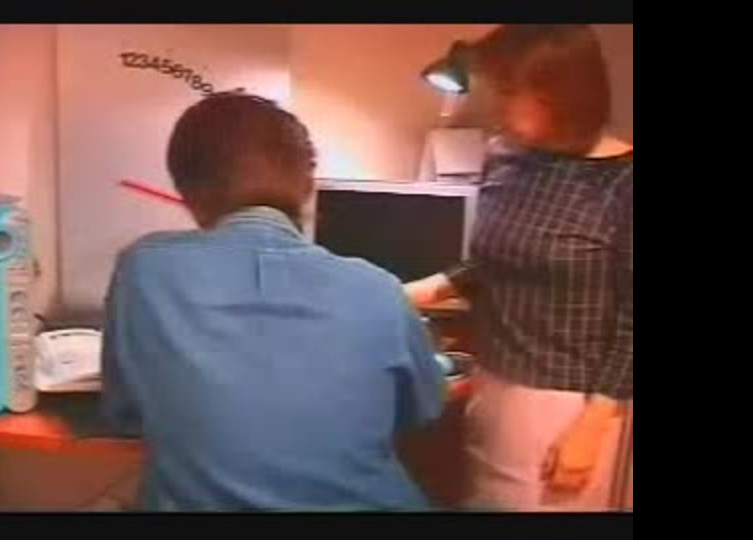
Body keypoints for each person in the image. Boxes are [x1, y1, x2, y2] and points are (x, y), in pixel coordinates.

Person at [100, 92, 447, 511]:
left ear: (185, 194)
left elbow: (124, 414)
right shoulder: (380, 290)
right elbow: (422, 411)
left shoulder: (144, 271)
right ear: (307, 185)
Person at [405, 25, 633, 511]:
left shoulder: (623, 182)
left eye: (510, 93)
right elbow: (493, 262)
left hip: (566, 408)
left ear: (563, 95)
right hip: (491, 384)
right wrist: (421, 289)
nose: (496, 107)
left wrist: (592, 426)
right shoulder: (504, 156)